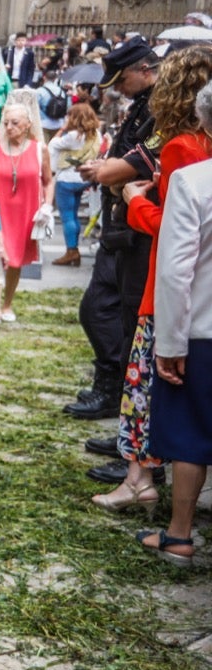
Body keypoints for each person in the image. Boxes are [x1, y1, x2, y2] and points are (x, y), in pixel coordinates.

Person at [92, 47, 212, 515]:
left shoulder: (184, 147)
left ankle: (139, 479)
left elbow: (176, 226)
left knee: (144, 388)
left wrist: (133, 198)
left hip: (165, 283)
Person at [67, 37, 160, 426]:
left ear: (143, 70)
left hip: (138, 228)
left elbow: (139, 162)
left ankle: (121, 403)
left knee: (116, 315)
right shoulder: (141, 105)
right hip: (121, 226)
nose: (117, 89)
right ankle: (114, 392)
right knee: (102, 309)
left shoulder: (159, 107)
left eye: (121, 81)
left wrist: (106, 171)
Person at [143, 84, 212, 564]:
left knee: (191, 433)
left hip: (202, 330)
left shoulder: (194, 182)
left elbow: (174, 270)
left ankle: (180, 534)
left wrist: (167, 341)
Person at [0, 102, 52, 326]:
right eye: (6, 123)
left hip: (25, 213)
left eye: (15, 123)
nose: (10, 127)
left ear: (27, 125)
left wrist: (47, 206)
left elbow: (48, 181)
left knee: (15, 261)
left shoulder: (39, 149)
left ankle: (7, 304)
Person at [48, 102, 102, 266]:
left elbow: (52, 144)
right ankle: (74, 249)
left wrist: (63, 128)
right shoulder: (97, 135)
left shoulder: (72, 136)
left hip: (66, 178)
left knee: (67, 217)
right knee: (74, 216)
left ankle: (72, 250)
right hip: (83, 178)